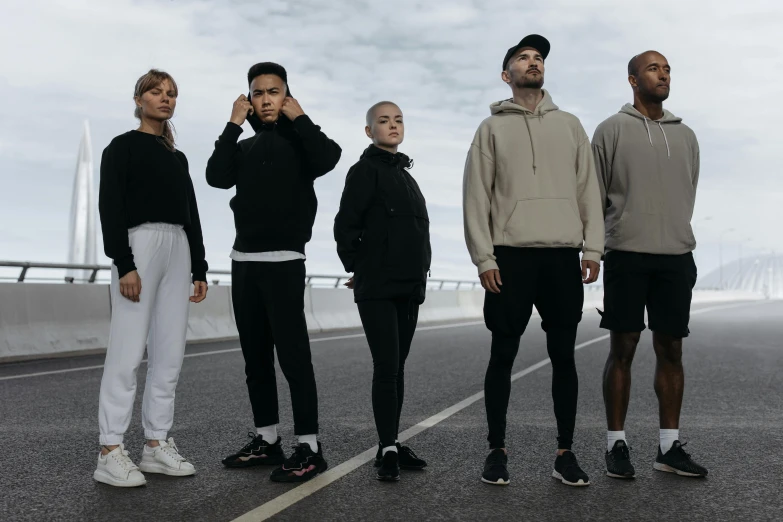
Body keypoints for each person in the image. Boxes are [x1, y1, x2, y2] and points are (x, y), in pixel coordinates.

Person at [462, 34, 604, 487]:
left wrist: (593, 248)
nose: (533, 62)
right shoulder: (491, 129)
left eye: (538, 57)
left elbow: (589, 191)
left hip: (562, 257)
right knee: (502, 353)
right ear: (507, 75)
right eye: (523, 58)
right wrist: (484, 257)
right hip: (510, 258)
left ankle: (565, 452)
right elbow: (475, 197)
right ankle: (496, 450)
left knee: (564, 356)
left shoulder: (570, 125)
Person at [207, 62, 341, 483]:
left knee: (294, 358)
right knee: (255, 360)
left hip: (284, 261)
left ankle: (310, 446)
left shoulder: (303, 143)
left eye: (274, 92)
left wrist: (300, 117)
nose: (266, 99)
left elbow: (328, 157)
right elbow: (215, 177)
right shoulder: (243, 148)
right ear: (249, 100)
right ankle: (267, 439)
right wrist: (232, 124)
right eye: (258, 93)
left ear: (287, 97)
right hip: (243, 262)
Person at [593, 50, 708, 479]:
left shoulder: (687, 136)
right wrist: (595, 246)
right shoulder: (611, 130)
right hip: (626, 254)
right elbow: (595, 193)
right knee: (622, 349)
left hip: (676, 256)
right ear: (632, 79)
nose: (663, 75)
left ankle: (668, 447)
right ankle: (616, 445)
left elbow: (689, 188)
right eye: (653, 69)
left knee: (672, 351)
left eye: (667, 70)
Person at [95, 69, 209, 487]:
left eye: (172, 94)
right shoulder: (121, 148)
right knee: (127, 350)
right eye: (157, 92)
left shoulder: (178, 158)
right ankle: (109, 449)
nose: (166, 99)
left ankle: (155, 445)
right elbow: (111, 207)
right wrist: (125, 263)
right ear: (139, 99)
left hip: (177, 246)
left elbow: (191, 214)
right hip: (139, 245)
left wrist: (199, 266)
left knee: (169, 353)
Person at [334, 101, 431, 482]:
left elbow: (415, 233)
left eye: (398, 120)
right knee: (387, 366)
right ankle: (388, 448)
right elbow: (346, 226)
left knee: (397, 366)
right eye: (383, 121)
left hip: (410, 285)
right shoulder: (363, 171)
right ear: (369, 131)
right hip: (378, 286)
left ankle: (389, 442)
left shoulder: (408, 177)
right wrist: (360, 268)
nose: (392, 126)